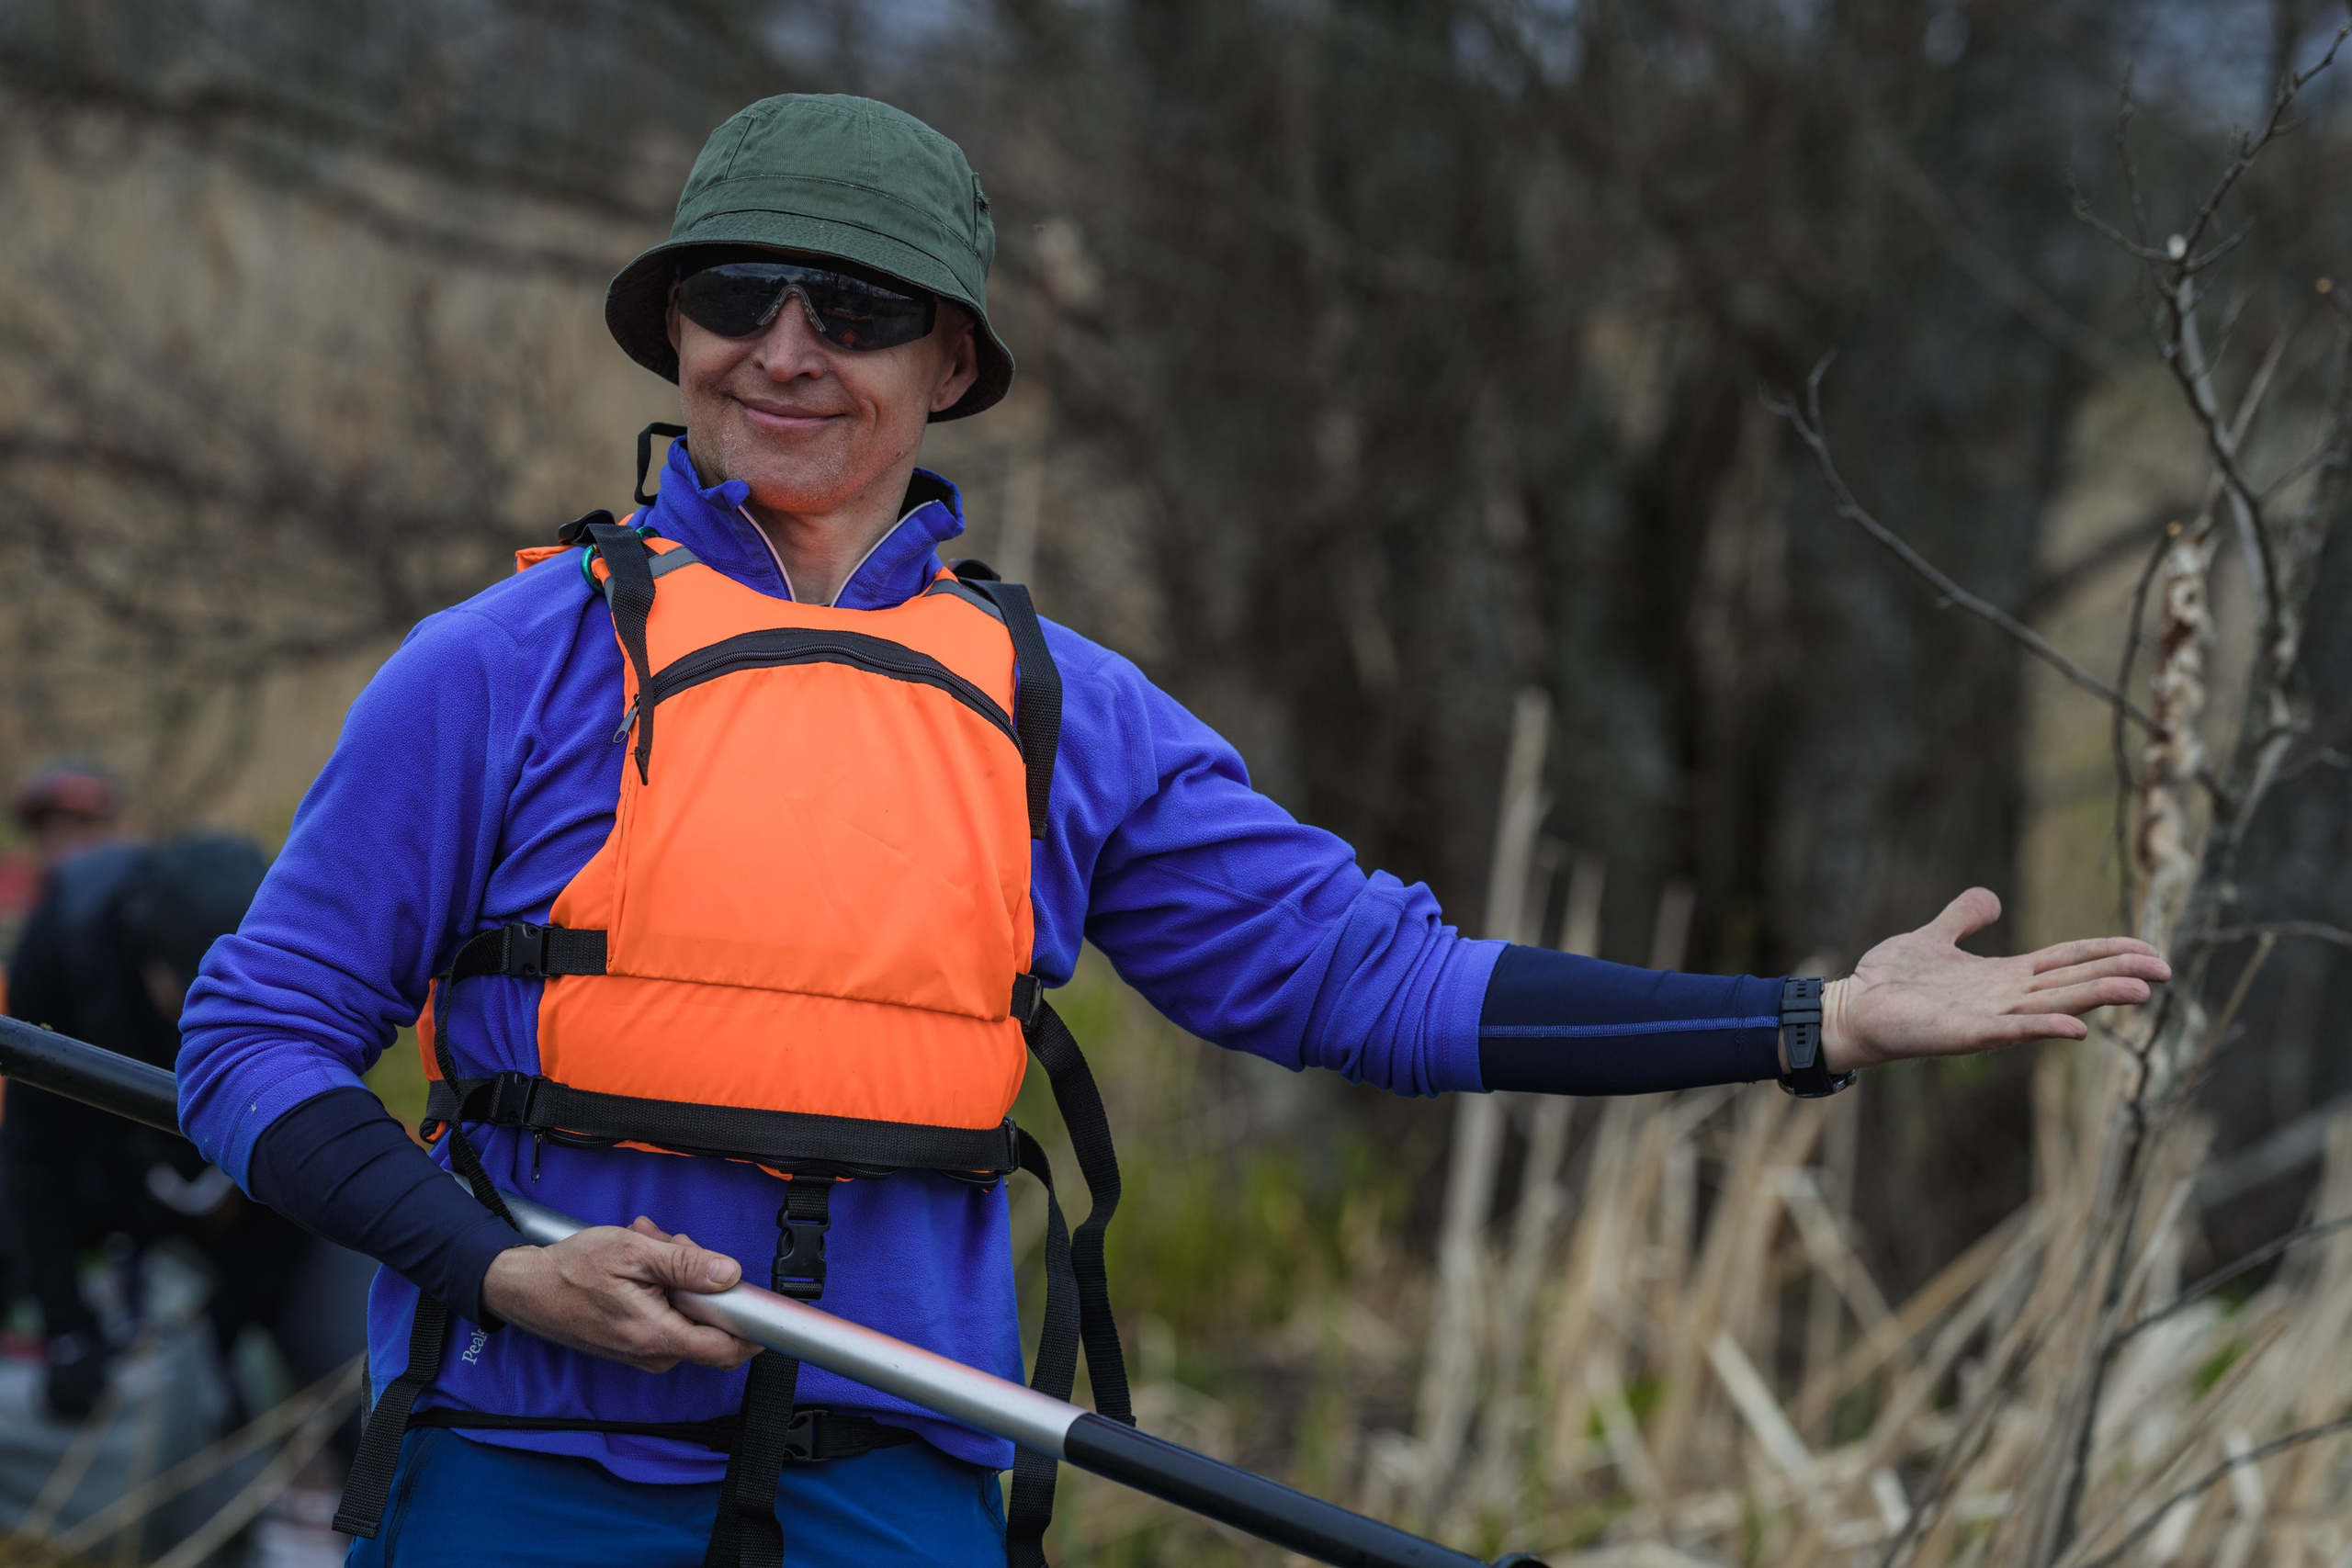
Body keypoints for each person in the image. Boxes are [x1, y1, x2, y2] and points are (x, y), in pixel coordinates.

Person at [175, 94, 2170, 1568]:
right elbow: (249, 1041)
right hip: (526, 1472)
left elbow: (1366, 978)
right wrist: (494, 1267)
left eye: (856, 306)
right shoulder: (504, 659)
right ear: (671, 329)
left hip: (901, 1480)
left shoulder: (1064, 710)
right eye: (731, 294)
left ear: (947, 362)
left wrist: (1806, 1018)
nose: (784, 349)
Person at [6, 828, 369, 1434]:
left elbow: (309, 1175)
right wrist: (64, 1322)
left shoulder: (301, 976)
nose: (217, 1015)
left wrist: (221, 1322)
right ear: (149, 956)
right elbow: (32, 1151)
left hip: (247, 1198)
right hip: (100, 1171)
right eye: (198, 993)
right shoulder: (67, 946)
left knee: (345, 1344)